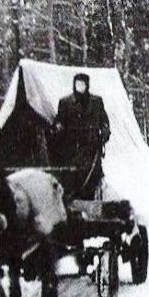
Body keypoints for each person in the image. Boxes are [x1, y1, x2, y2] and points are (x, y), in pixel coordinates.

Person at [52, 73, 111, 201]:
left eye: (82, 84)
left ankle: (89, 204)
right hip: (71, 150)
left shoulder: (96, 102)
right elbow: (59, 120)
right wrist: (58, 127)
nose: (80, 87)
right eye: (77, 84)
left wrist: (104, 133)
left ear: (87, 85)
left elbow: (104, 122)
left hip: (91, 150)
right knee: (71, 181)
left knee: (91, 180)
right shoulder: (65, 102)